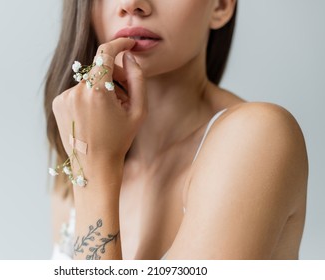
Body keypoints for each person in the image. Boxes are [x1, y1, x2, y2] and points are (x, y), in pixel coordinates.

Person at [44, 0, 308, 260]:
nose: (131, 4)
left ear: (220, 6)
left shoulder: (257, 138)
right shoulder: (79, 152)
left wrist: (94, 175)